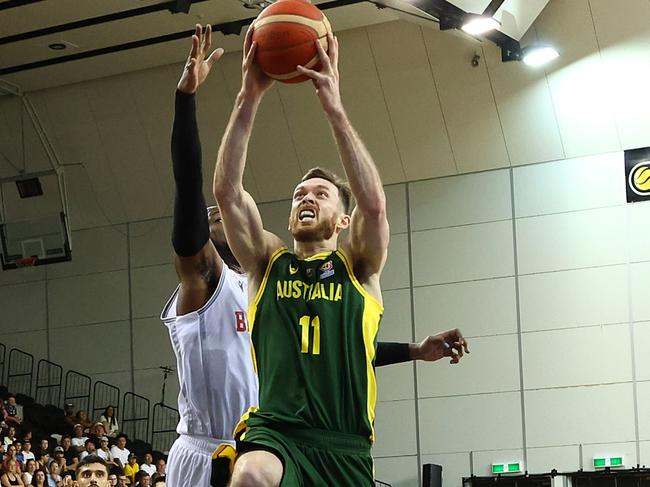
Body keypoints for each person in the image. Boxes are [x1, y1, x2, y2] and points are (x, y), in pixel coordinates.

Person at [165, 23, 468, 487]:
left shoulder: (359, 267)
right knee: (250, 476)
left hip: (344, 443)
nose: (306, 198)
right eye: (298, 194)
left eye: (321, 193)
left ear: (343, 221)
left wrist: (335, 108)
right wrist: (249, 94)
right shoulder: (267, 264)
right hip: (279, 432)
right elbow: (226, 191)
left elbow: (374, 204)